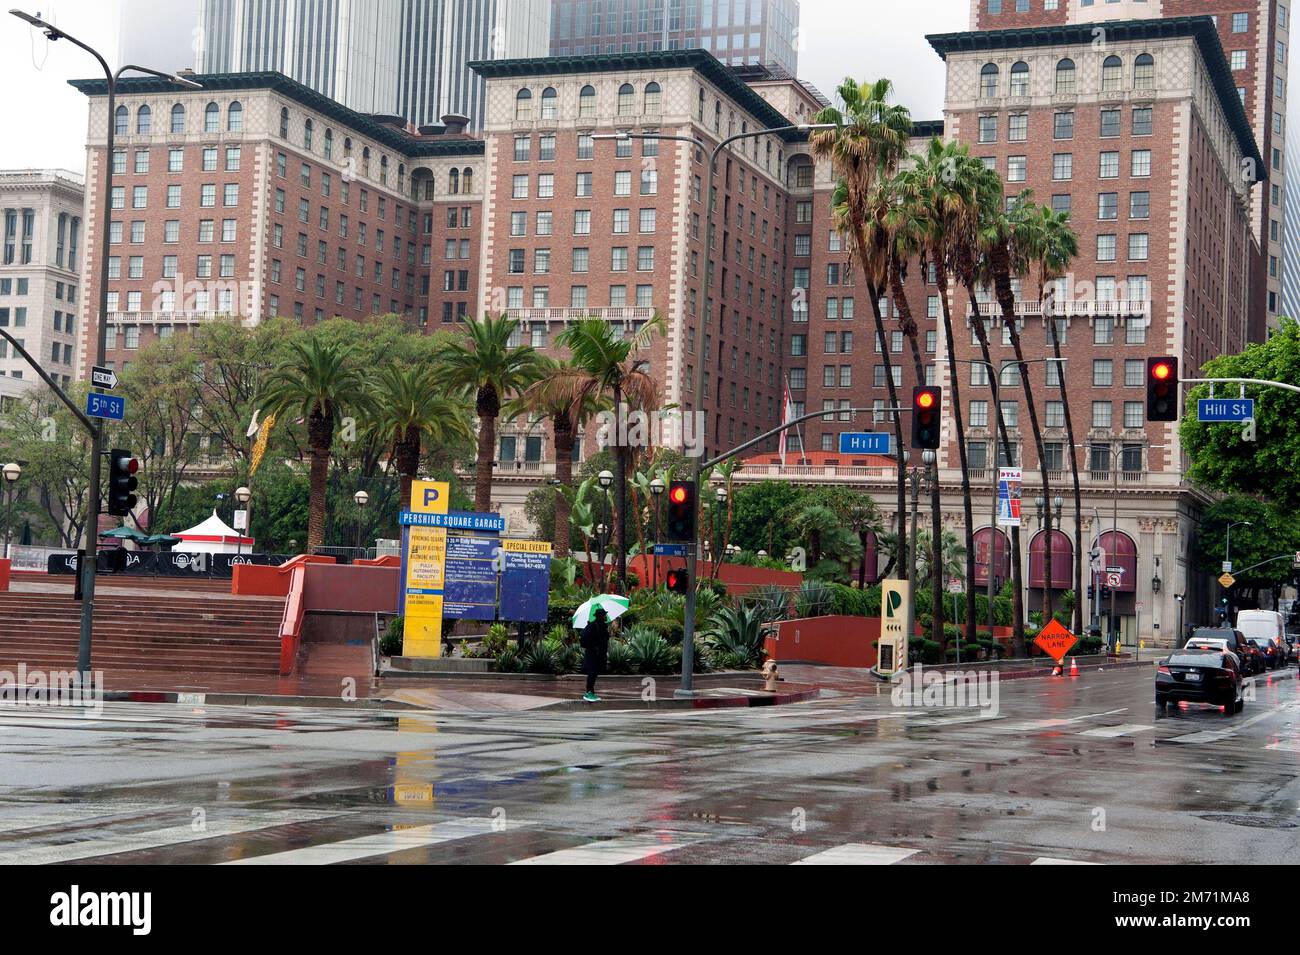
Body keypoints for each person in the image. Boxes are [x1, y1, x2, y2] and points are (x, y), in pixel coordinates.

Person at [580, 607, 610, 702]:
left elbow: (603, 639)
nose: (606, 616)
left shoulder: (602, 626)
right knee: (592, 673)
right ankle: (589, 692)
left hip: (599, 654)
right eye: (604, 615)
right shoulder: (592, 626)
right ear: (601, 616)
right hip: (593, 654)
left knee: (594, 673)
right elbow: (585, 639)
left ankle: (591, 692)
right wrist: (593, 646)